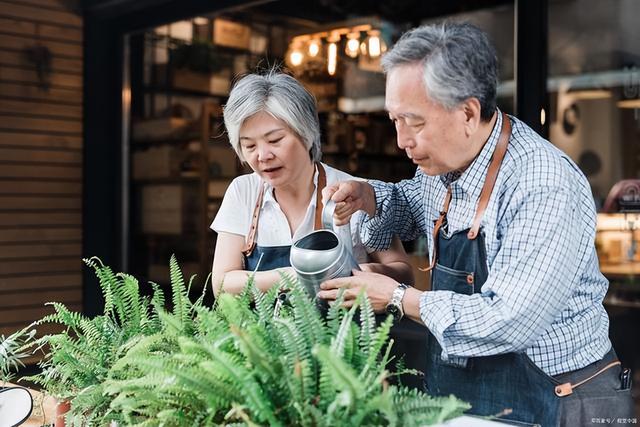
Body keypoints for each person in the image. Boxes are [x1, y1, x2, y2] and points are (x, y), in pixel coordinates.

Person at [318, 22, 635, 426]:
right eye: (393, 120)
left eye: (413, 122)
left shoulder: (543, 183)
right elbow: (415, 202)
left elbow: (509, 320)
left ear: (467, 112)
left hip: (559, 400)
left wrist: (398, 297)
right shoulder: (442, 167)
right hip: (469, 399)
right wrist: (372, 196)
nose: (400, 141)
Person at [211, 70, 413, 296]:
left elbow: (404, 273)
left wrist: (365, 272)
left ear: (306, 133)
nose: (262, 155)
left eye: (275, 140)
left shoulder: (355, 192)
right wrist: (298, 276)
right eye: (249, 146)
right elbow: (222, 283)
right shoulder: (243, 191)